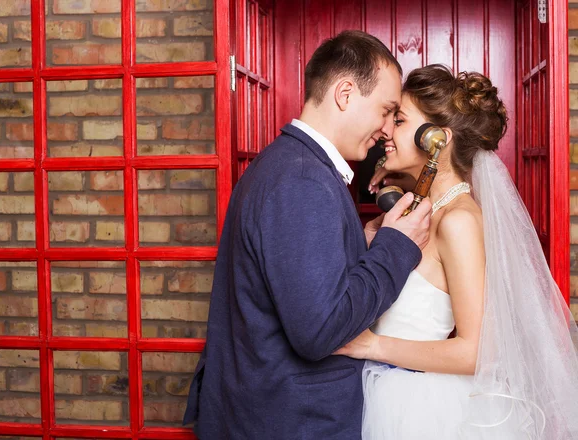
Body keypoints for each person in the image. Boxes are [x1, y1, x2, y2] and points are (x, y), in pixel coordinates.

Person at [183, 30, 432, 439]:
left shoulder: (290, 163)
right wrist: (396, 247)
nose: (387, 129)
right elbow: (320, 331)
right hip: (290, 423)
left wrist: (362, 246)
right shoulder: (302, 179)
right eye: (386, 110)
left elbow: (302, 285)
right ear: (346, 94)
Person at [336, 64, 578, 439]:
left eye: (399, 120)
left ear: (436, 139)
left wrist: (373, 345)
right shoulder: (426, 211)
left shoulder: (458, 221)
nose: (386, 130)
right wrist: (392, 179)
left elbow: (477, 352)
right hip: (391, 392)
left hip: (422, 410)